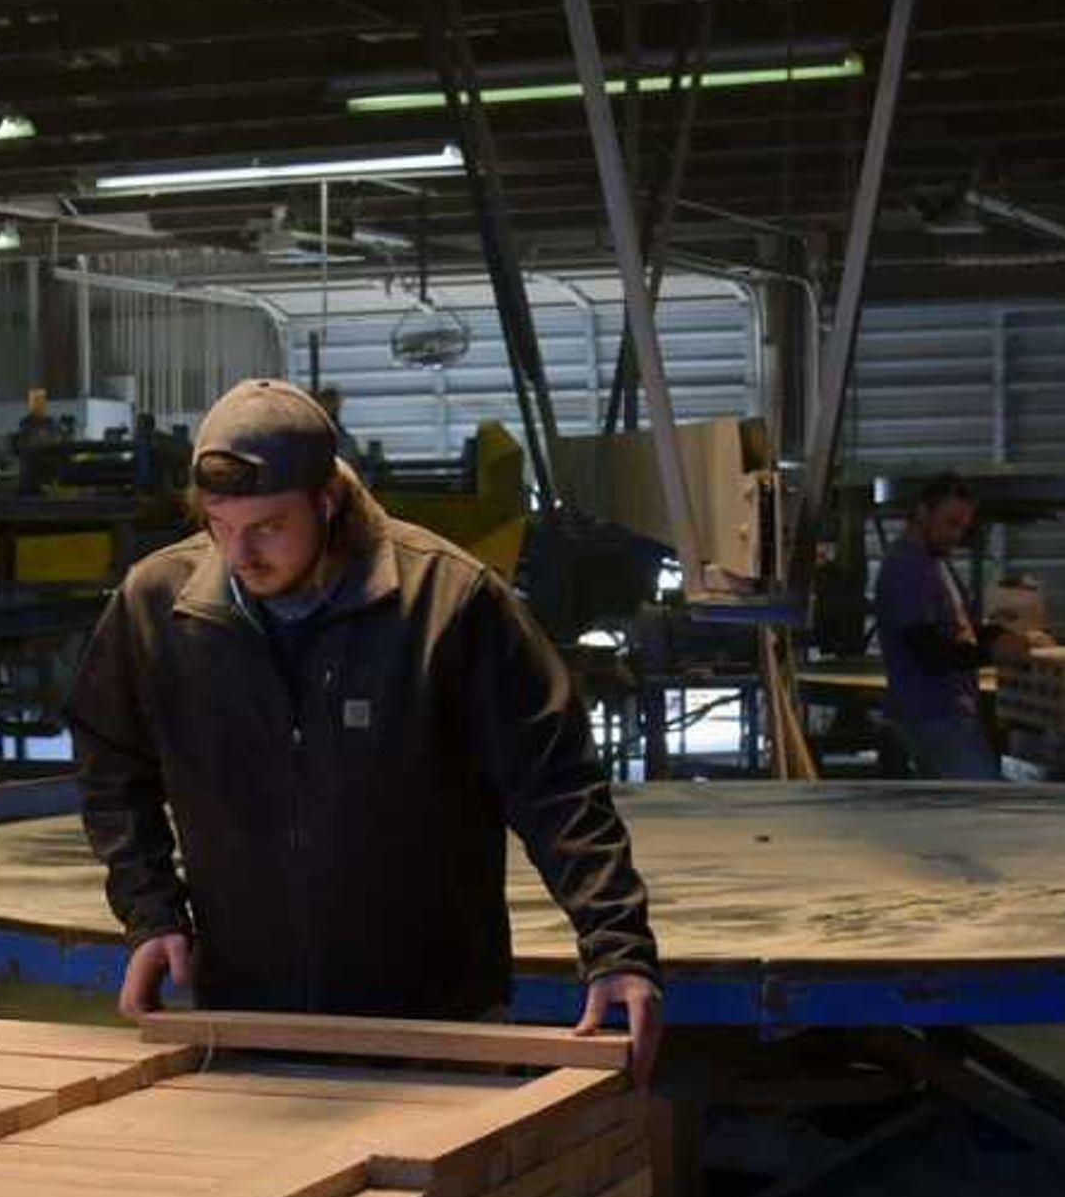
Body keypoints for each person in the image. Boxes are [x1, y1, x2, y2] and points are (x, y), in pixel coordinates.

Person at [67, 377, 664, 1075]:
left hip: (437, 1023)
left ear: (328, 499)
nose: (240, 556)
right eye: (218, 526)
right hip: (243, 1018)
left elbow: (556, 788)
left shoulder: (448, 604)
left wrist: (616, 946)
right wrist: (151, 912)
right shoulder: (157, 606)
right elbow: (112, 764)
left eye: (267, 528)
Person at [874, 473, 1005, 780]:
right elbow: (926, 648)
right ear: (922, 513)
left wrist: (1002, 636)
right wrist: (994, 652)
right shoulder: (907, 567)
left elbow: (959, 631)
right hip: (931, 714)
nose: (957, 535)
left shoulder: (933, 563)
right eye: (951, 522)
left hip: (947, 712)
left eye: (962, 526)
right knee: (981, 804)